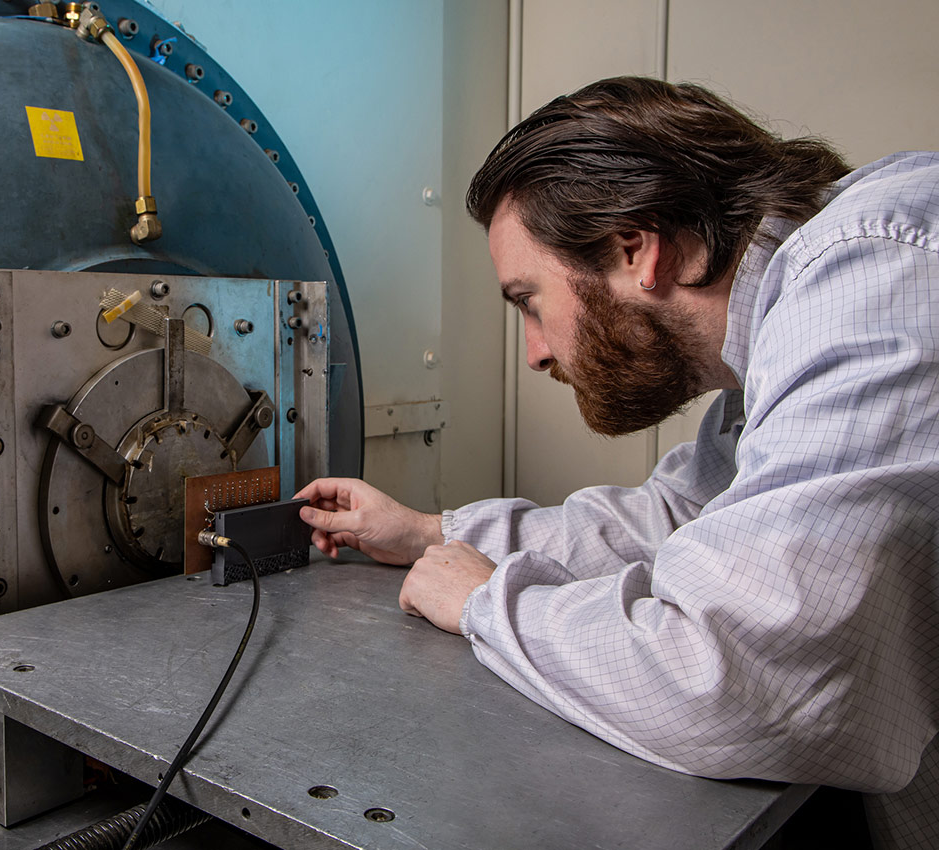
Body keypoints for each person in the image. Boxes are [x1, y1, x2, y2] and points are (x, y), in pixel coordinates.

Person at [296, 77, 939, 848]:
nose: (535, 351)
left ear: (637, 247)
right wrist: (428, 531)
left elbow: (734, 681)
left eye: (529, 301)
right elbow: (671, 518)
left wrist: (487, 602)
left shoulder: (877, 281)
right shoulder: (787, 323)